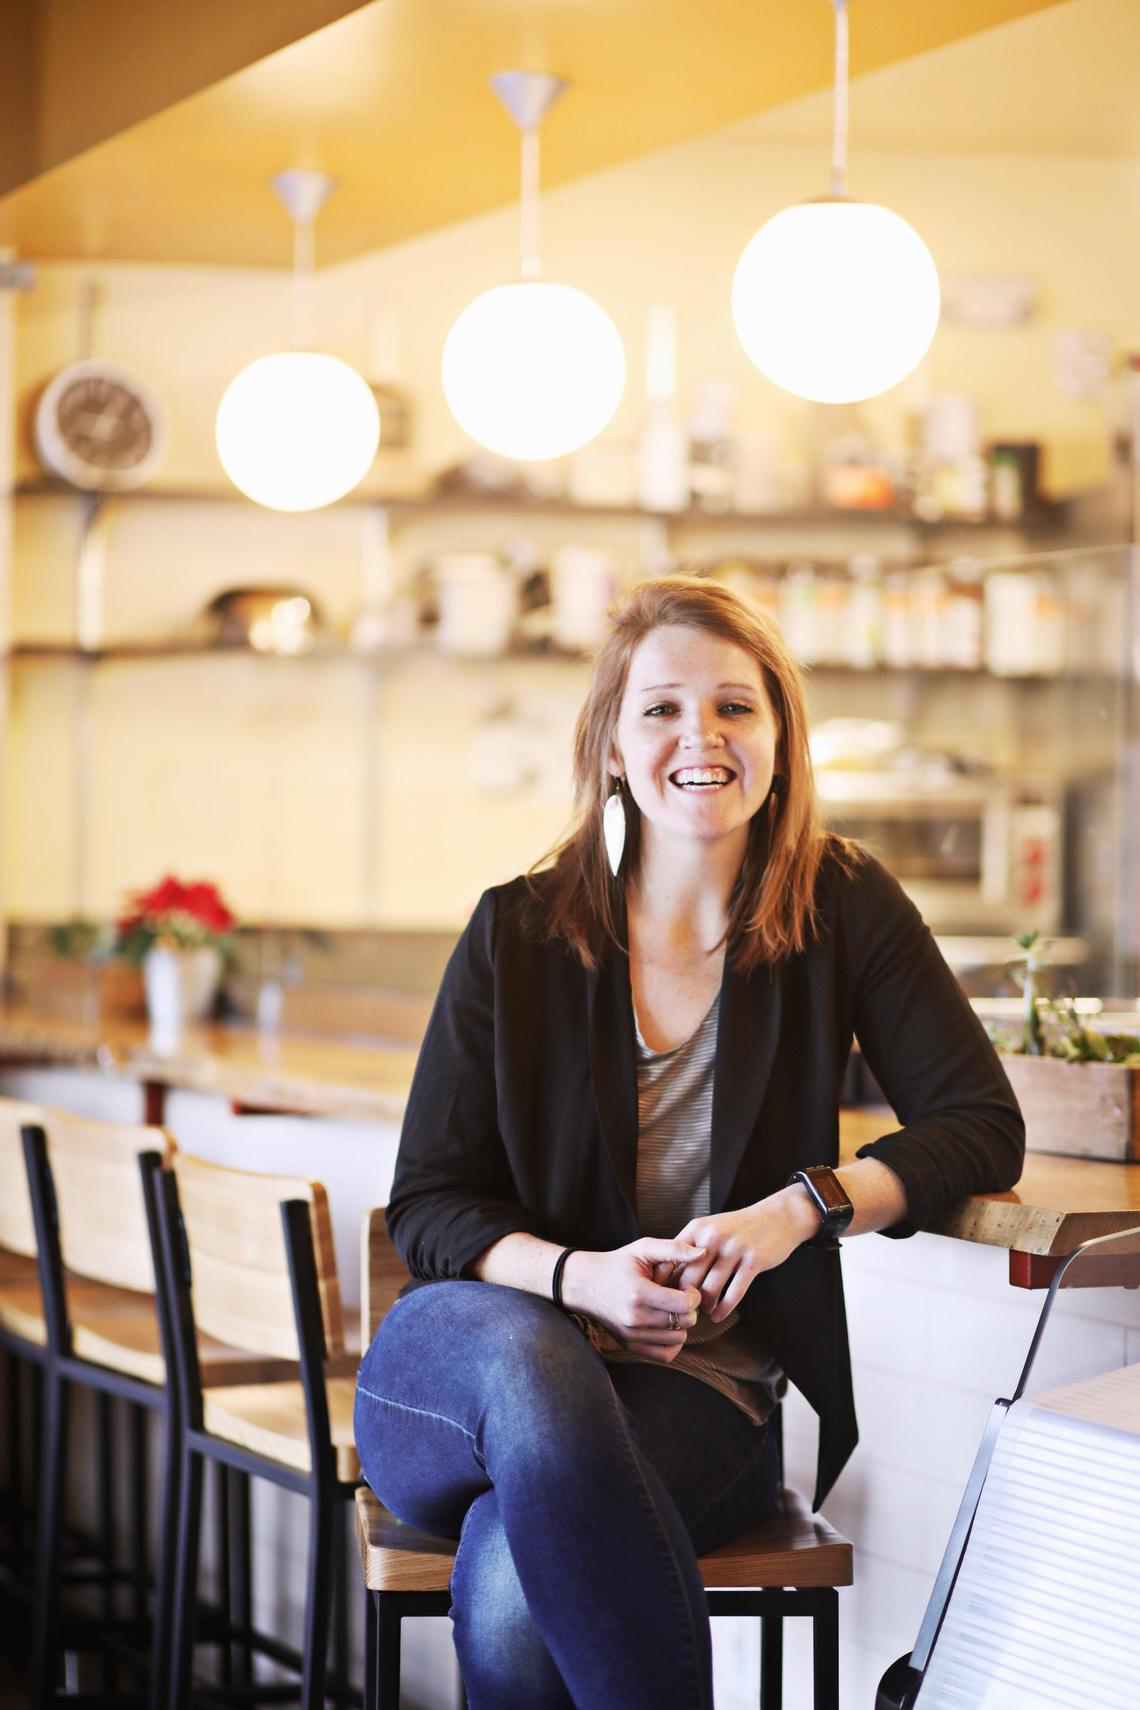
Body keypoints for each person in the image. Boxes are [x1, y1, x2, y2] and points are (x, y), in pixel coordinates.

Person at [354, 575, 1024, 1710]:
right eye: (660, 708)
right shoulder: (517, 930)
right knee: (536, 1364)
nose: (698, 737)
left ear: (777, 738)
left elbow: (980, 1125)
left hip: (699, 1397)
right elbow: (428, 1203)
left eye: (734, 707)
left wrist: (798, 1209)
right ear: (612, 745)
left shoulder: (842, 904)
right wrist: (580, 1281)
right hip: (466, 1368)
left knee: (514, 1573)